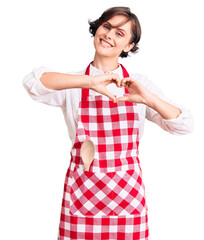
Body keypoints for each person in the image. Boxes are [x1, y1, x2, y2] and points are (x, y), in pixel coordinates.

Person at [22, 6, 193, 240]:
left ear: (129, 46)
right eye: (106, 26)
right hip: (83, 193)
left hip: (127, 196)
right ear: (97, 29)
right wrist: (88, 82)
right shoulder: (75, 83)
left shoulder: (139, 84)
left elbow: (183, 125)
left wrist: (149, 99)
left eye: (120, 34)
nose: (109, 35)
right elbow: (34, 83)